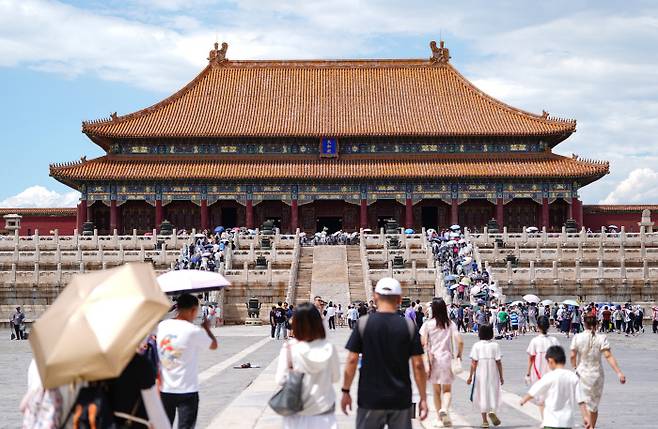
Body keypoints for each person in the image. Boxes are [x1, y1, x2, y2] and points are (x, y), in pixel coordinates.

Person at [341, 278, 428, 428]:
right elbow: (418, 365)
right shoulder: (408, 326)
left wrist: (346, 391)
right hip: (400, 398)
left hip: (370, 397)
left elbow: (351, 360)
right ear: (399, 299)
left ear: (375, 297)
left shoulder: (364, 323)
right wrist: (423, 397)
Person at [157, 293, 218, 429]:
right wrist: (207, 329)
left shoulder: (163, 326)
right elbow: (214, 345)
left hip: (165, 389)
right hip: (187, 390)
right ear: (192, 310)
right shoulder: (193, 331)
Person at [275, 303, 340, 429]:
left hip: (297, 411)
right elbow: (335, 377)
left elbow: (280, 379)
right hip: (323, 410)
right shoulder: (328, 348)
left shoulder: (289, 348)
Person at [570, 315, 626, 429]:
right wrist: (619, 372)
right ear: (596, 324)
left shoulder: (578, 337)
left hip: (582, 373)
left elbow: (572, 355)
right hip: (597, 374)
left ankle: (587, 421)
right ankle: (592, 426)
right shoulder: (602, 338)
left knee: (583, 400)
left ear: (584, 324)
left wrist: (574, 367)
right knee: (594, 405)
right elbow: (608, 356)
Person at [520, 346, 589, 429]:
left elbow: (535, 390)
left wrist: (524, 400)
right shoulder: (573, 376)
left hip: (551, 421)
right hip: (567, 422)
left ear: (550, 361)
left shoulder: (549, 376)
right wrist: (585, 416)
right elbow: (580, 399)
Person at [419, 298, 464, 427]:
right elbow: (460, 341)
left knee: (436, 390)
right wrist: (459, 355)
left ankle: (439, 418)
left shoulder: (428, 324)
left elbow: (423, 342)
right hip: (447, 359)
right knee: (447, 389)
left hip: (433, 360)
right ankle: (445, 408)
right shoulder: (450, 324)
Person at [466, 324, 503, 428]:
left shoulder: (476, 345)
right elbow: (499, 362)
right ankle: (492, 411)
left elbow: (473, 363)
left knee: (482, 394)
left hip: (480, 372)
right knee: (493, 392)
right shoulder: (495, 345)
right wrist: (501, 376)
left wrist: (470, 376)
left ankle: (485, 421)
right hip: (493, 371)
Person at [525, 316, 559, 420]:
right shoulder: (554, 340)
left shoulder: (535, 341)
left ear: (538, 327)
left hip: (538, 370)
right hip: (552, 370)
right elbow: (559, 356)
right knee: (551, 395)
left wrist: (528, 373)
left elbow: (531, 357)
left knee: (540, 397)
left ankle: (544, 419)